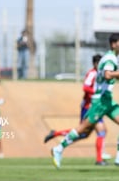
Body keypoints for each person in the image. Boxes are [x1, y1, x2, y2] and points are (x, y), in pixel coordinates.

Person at [51, 33, 119, 169]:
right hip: (100, 101)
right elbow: (107, 75)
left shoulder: (112, 58)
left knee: (87, 131)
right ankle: (58, 148)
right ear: (113, 44)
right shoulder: (110, 58)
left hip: (107, 100)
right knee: (83, 129)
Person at [44, 54, 110, 165]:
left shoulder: (100, 74)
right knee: (97, 130)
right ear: (95, 64)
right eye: (99, 63)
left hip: (97, 107)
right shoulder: (92, 73)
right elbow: (85, 86)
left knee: (84, 133)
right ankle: (99, 159)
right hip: (89, 107)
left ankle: (56, 135)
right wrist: (96, 93)